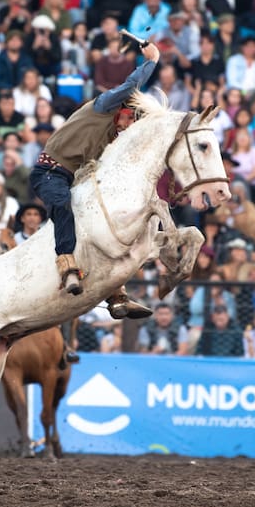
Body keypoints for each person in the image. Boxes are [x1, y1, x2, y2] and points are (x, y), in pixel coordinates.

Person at [29, 40, 160, 318]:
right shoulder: (102, 107)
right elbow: (129, 86)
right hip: (50, 173)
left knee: (99, 220)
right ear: (122, 110)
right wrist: (151, 62)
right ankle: (66, 265)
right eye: (130, 117)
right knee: (64, 205)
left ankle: (116, 294)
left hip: (72, 177)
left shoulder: (113, 140)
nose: (129, 125)